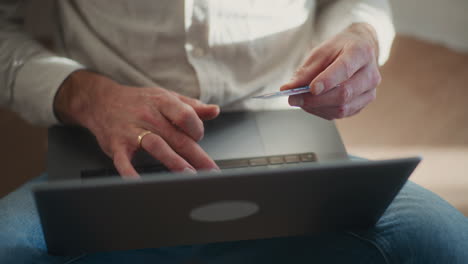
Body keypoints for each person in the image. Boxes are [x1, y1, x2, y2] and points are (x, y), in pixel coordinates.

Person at [1, 0, 467, 263]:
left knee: (445, 243)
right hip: (108, 151)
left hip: (287, 147)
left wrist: (361, 36)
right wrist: (87, 96)